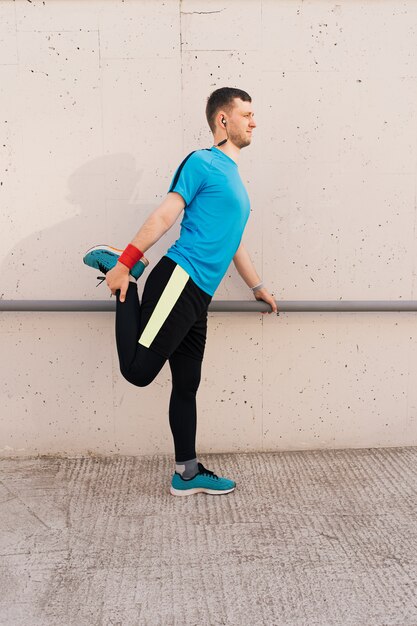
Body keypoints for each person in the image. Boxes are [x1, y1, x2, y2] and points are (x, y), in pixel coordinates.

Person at [83, 87, 278, 496]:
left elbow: (233, 242)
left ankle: (186, 472)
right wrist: (125, 262)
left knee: (187, 383)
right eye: (246, 114)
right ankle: (129, 276)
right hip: (179, 278)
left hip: (198, 295)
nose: (254, 121)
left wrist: (258, 287)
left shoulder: (234, 179)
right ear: (222, 120)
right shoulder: (202, 162)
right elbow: (167, 212)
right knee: (138, 373)